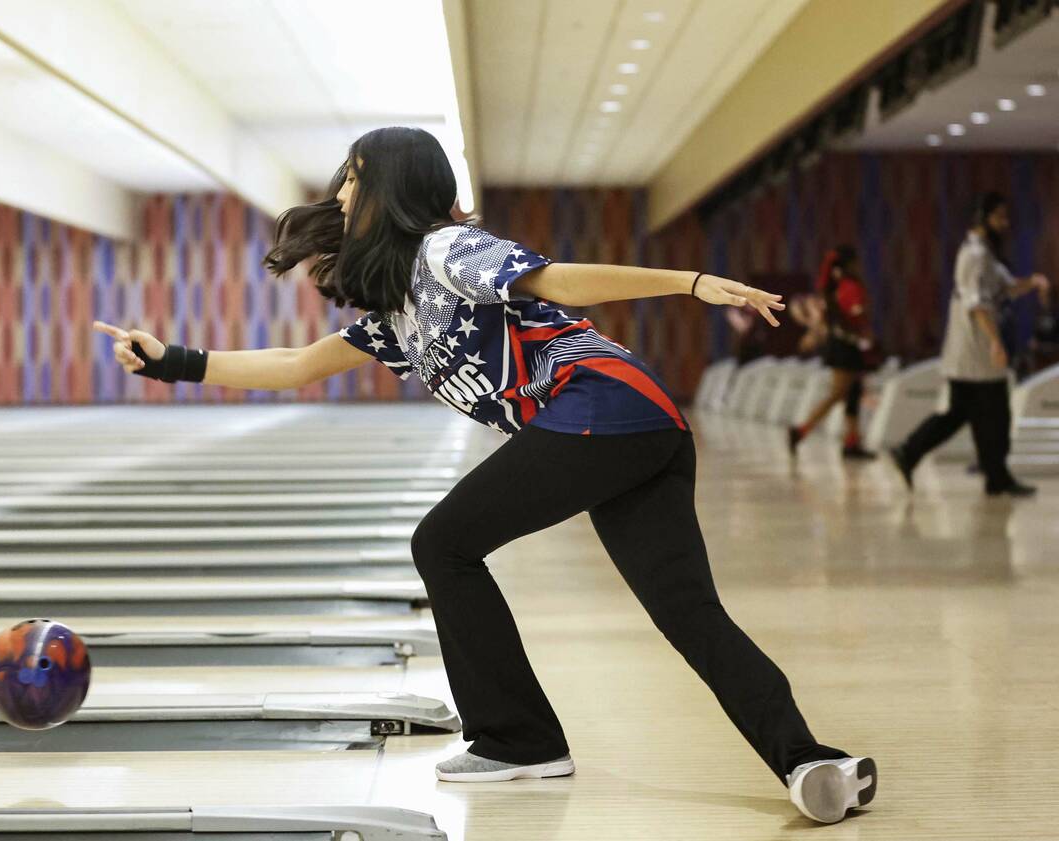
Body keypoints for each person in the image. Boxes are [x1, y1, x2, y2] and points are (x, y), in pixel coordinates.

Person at [94, 127, 876, 824]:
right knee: (687, 613)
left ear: (391, 186)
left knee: (443, 543)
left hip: (597, 404)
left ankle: (518, 740)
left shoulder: (446, 249)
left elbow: (556, 281)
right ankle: (810, 761)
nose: (340, 191)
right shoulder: (398, 308)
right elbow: (299, 364)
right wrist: (176, 361)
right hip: (641, 421)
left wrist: (691, 282)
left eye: (354, 176)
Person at [891, 192, 1049, 496]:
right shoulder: (975, 256)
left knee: (966, 412)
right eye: (1000, 217)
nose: (1005, 223)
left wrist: (1034, 282)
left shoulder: (984, 254)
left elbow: (1007, 287)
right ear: (983, 218)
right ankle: (994, 475)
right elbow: (977, 305)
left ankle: (914, 453)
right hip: (976, 351)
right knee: (995, 414)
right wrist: (995, 343)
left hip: (973, 352)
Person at [788, 246, 877, 459]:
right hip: (845, 347)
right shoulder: (849, 286)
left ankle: (852, 442)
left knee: (853, 394)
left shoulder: (834, 287)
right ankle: (801, 430)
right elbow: (856, 314)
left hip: (843, 345)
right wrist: (866, 330)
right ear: (849, 264)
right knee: (838, 393)